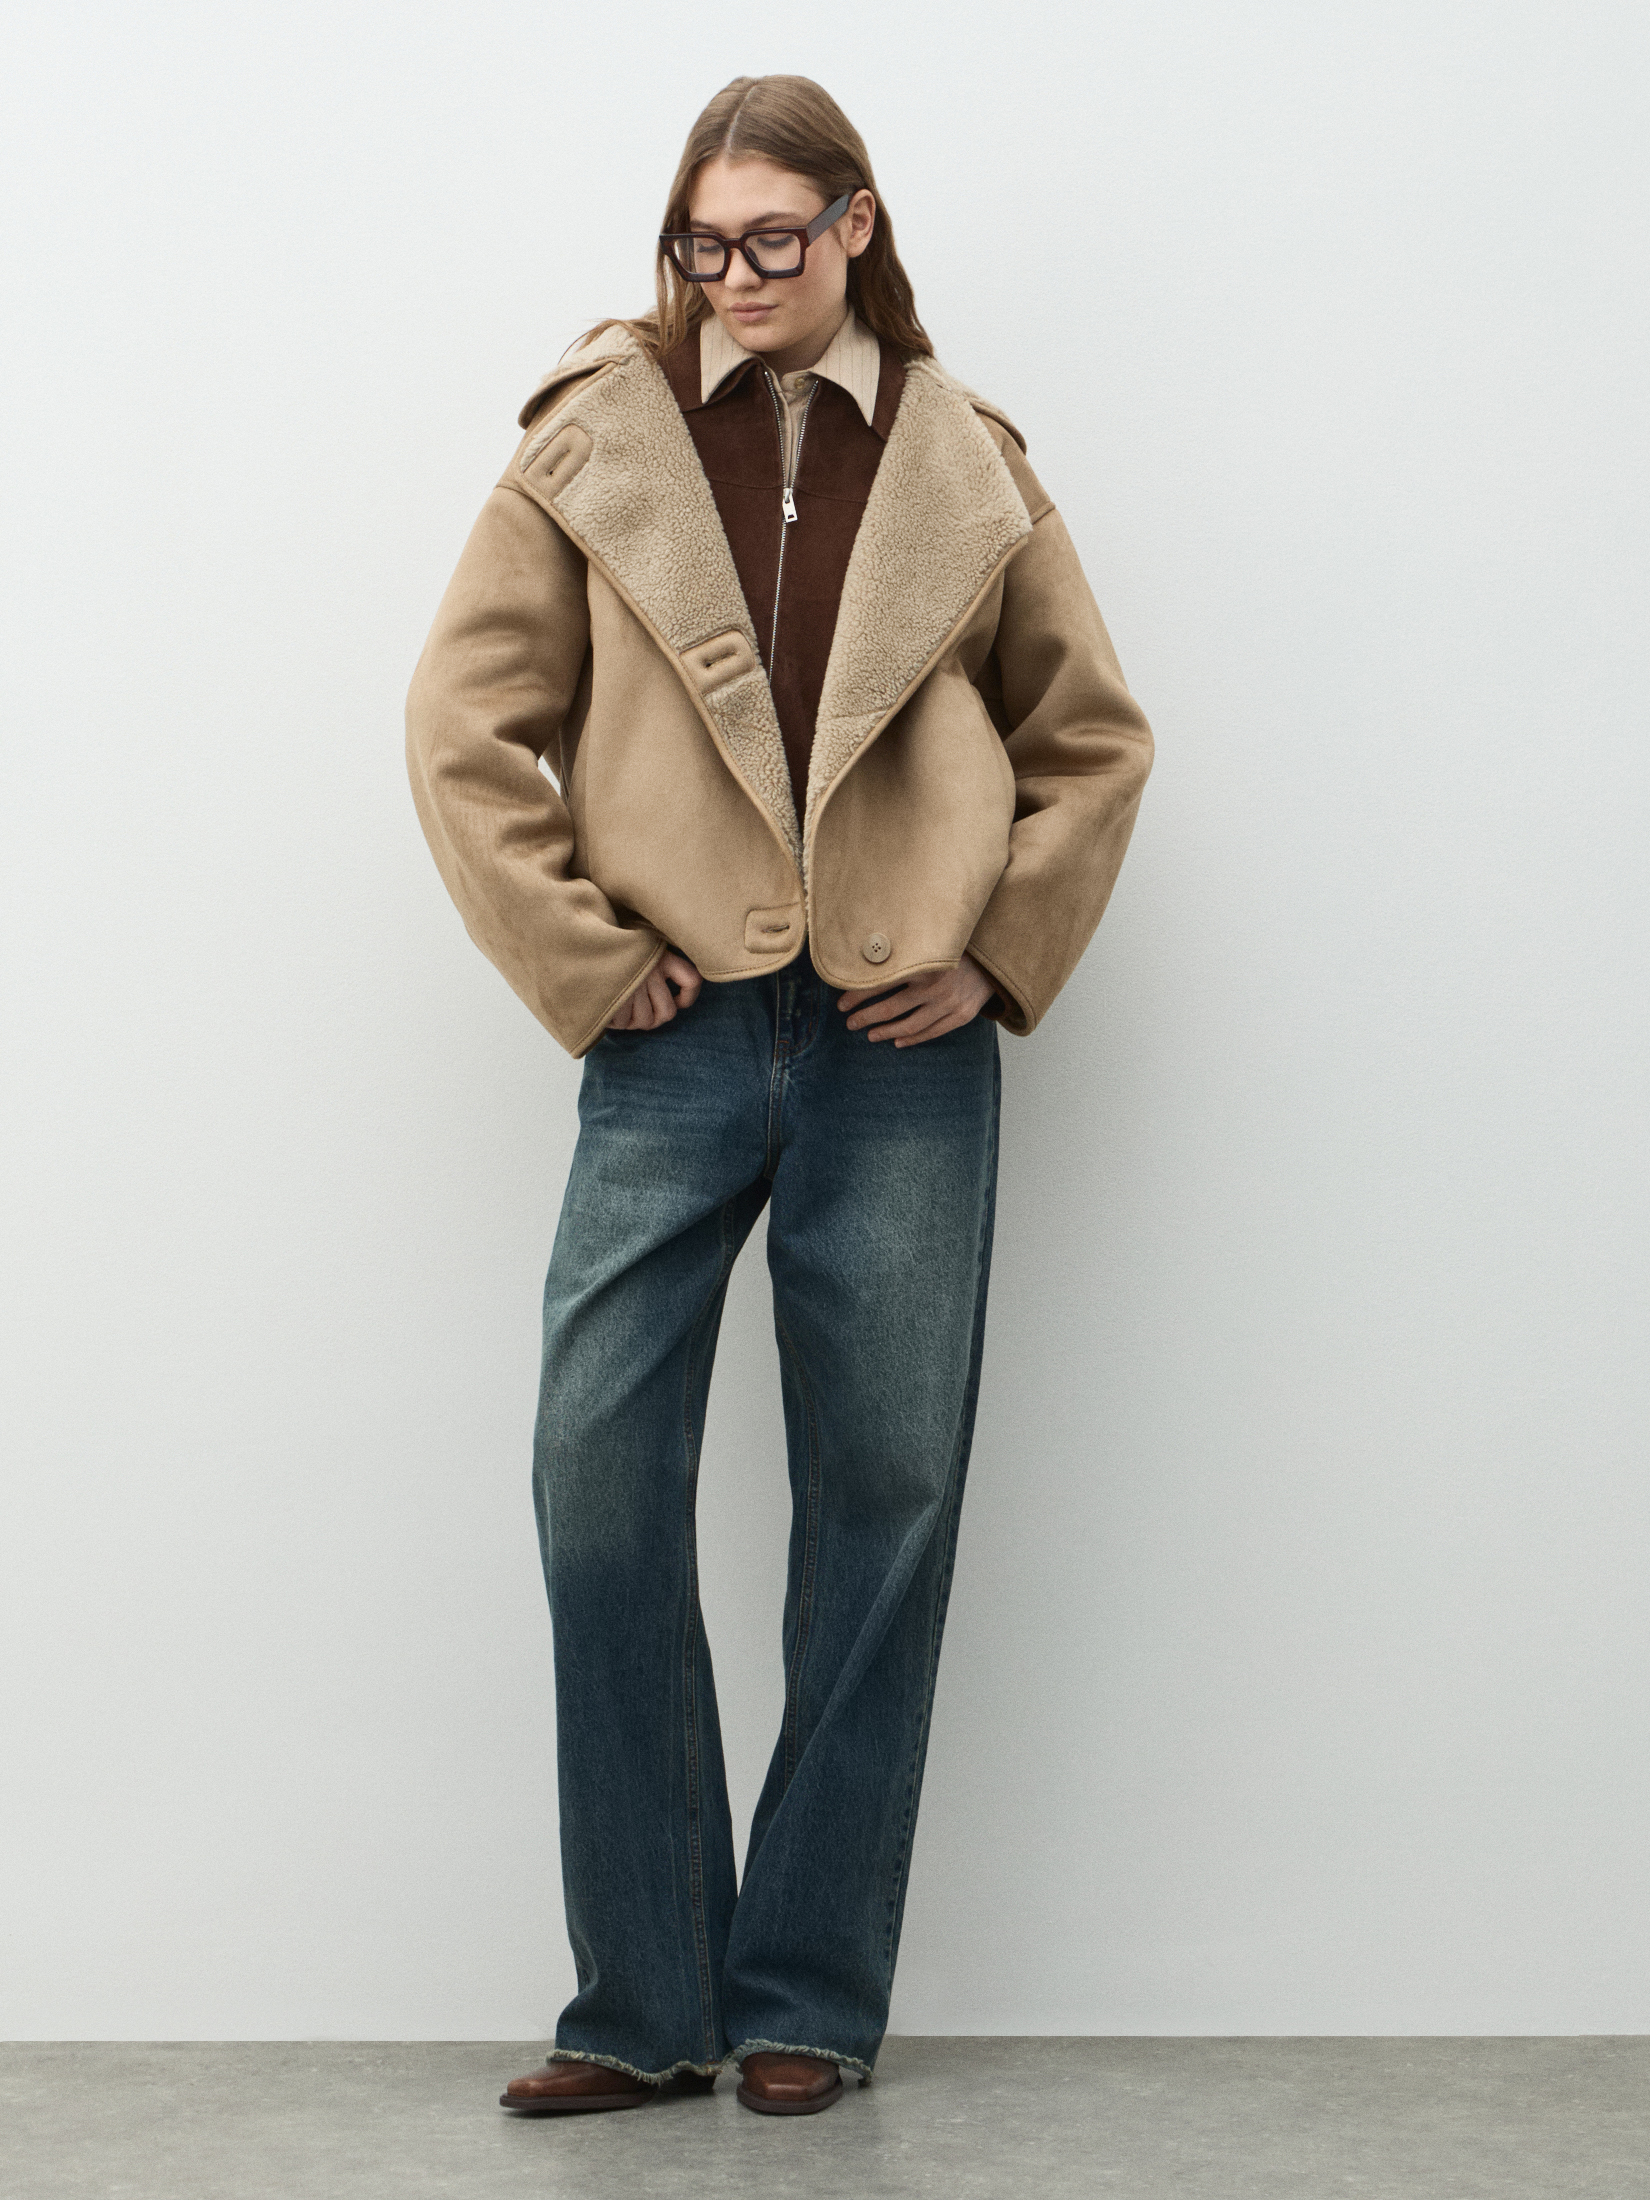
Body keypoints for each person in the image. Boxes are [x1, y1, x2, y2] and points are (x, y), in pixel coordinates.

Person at [405, 72, 1153, 2121]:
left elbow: (1090, 739)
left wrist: (998, 947)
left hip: (901, 1045)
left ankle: (807, 1989)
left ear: (854, 226)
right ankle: (642, 1997)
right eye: (701, 242)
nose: (732, 277)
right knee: (595, 1478)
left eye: (770, 239)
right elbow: (463, 724)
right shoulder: (596, 442)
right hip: (672, 1035)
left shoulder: (965, 457)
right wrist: (585, 959)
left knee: (884, 1502)